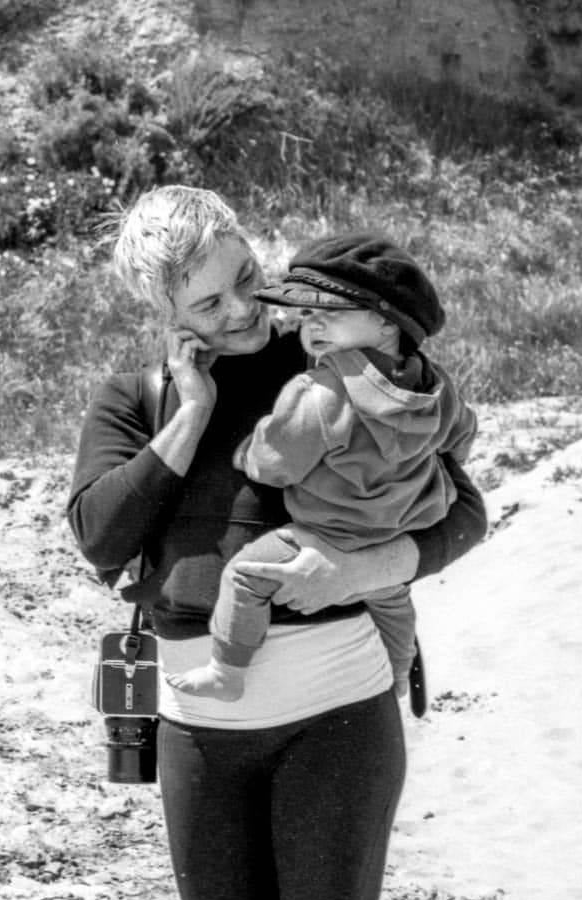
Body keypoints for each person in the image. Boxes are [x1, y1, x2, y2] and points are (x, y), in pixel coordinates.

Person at [66, 186, 486, 900]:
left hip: (338, 713)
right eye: (209, 301)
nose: (241, 309)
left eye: (245, 276)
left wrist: (365, 568)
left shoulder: (337, 361)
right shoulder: (138, 400)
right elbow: (100, 538)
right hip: (198, 729)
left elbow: (464, 513)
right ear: (165, 310)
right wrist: (191, 416)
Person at [167, 232, 478, 703]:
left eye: (329, 314)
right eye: (307, 314)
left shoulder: (318, 392)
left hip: (329, 532)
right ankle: (393, 683)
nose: (313, 327)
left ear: (387, 322)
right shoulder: (435, 386)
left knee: (245, 575)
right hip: (399, 531)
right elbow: (460, 437)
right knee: (393, 605)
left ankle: (227, 670)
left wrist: (246, 452)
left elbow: (276, 462)